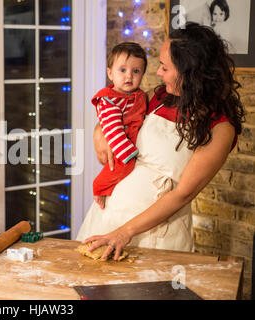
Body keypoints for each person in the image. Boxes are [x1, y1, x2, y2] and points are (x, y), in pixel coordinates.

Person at [76, 22, 245, 261]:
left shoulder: (220, 127)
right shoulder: (158, 97)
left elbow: (183, 194)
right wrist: (98, 132)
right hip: (110, 216)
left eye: (165, 67)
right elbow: (115, 114)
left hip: (156, 232)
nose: (157, 73)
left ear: (189, 71)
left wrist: (125, 232)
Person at [91, 42, 148, 210]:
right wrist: (128, 153)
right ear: (110, 73)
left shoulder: (139, 95)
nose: (129, 76)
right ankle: (99, 187)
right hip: (121, 147)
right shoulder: (109, 100)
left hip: (130, 143)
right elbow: (112, 129)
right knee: (122, 167)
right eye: (122, 70)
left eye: (136, 71)